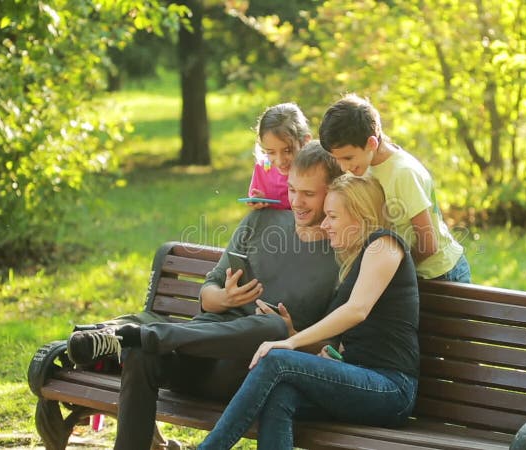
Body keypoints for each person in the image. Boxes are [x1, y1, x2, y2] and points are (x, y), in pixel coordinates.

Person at [65, 143, 343, 450]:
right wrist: (224, 299)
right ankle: (141, 339)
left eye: (308, 194)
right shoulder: (260, 221)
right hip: (196, 356)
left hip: (248, 376)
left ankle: (139, 335)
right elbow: (208, 294)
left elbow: (338, 347)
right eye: (292, 190)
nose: (296, 202)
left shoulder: (343, 253)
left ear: (332, 191)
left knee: (273, 329)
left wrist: (293, 335)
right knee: (139, 354)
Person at [198, 174, 420, 450]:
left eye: (333, 216)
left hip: (391, 388)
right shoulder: (352, 263)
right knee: (279, 394)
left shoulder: (385, 244)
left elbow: (357, 310)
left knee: (277, 359)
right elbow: (345, 339)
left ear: (362, 215)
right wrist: (294, 333)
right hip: (359, 380)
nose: (325, 225)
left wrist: (290, 342)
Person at [319, 93, 472, 283]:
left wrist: (390, 269)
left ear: (371, 143)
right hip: (409, 270)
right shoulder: (364, 167)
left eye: (348, 158)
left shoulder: (403, 173)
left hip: (441, 273)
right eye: (337, 159)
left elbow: (428, 244)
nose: (343, 167)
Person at [246, 103, 312, 210]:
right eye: (271, 152)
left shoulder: (316, 169)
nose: (280, 161)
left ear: (305, 141)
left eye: (287, 151)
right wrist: (259, 202)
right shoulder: (263, 168)